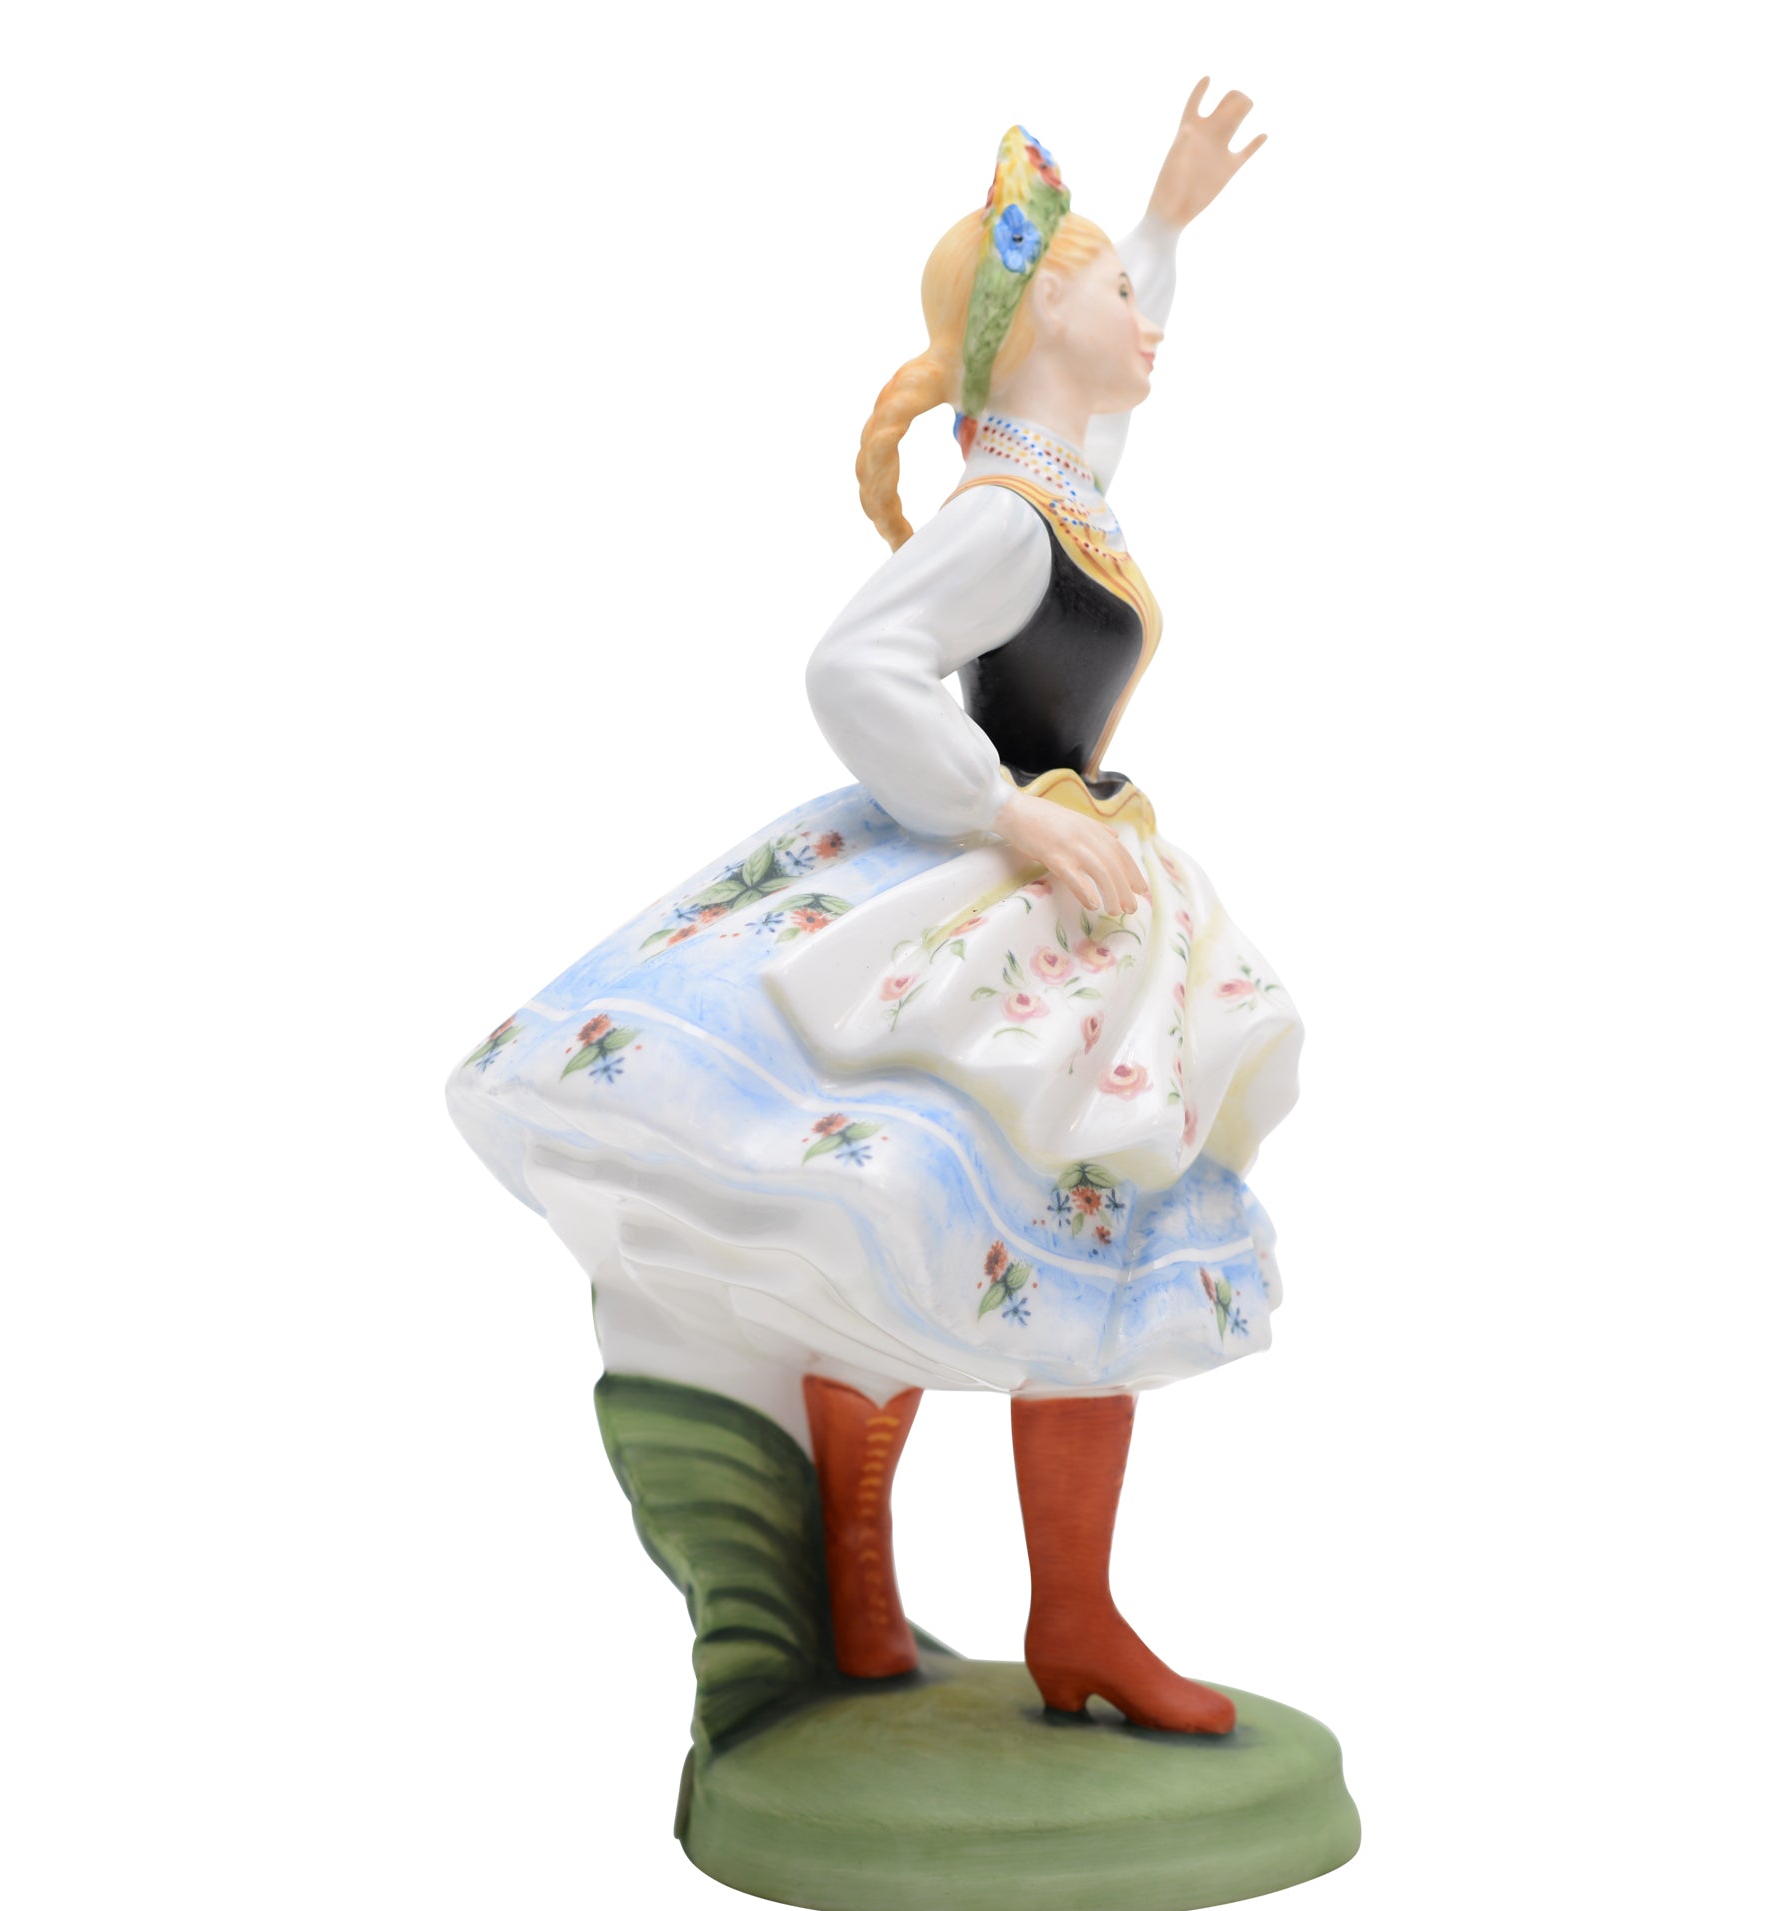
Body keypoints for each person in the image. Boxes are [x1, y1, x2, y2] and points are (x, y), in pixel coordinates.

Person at [449, 85, 1292, 1734]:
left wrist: (1169, 223)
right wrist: (1000, 813)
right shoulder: (1002, 517)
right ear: (1040, 318)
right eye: (1111, 287)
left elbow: (1105, 399)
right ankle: (855, 1571)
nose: (1143, 318)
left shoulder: (1056, 482)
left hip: (1074, 895)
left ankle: (1072, 1615)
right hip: (991, 880)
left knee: (1088, 1239)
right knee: (903, 1209)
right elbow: (855, 665)